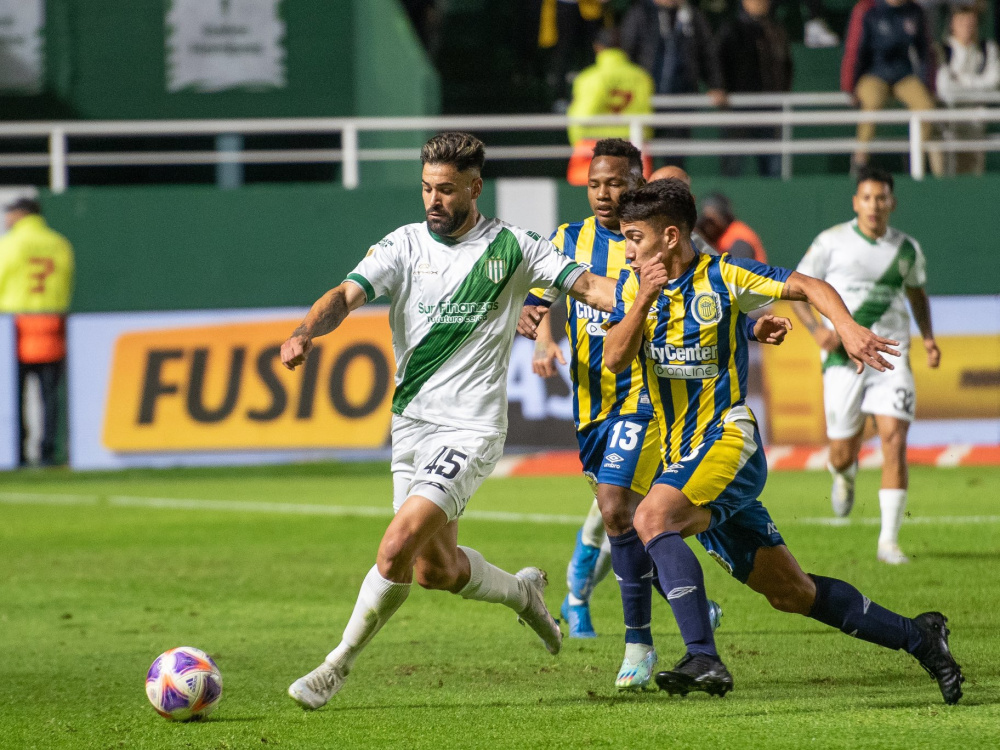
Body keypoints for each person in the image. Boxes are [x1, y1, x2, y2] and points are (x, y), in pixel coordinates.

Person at [281, 132, 619, 710]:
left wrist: (656, 299)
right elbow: (345, 294)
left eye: (445, 190)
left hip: (472, 430)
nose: (433, 200)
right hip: (412, 425)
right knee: (435, 570)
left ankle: (336, 666)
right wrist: (304, 331)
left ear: (474, 187)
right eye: (427, 189)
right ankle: (523, 593)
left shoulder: (513, 246)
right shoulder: (405, 245)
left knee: (394, 548)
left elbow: (589, 286)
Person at [602, 178, 963, 704]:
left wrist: (847, 328)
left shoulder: (723, 275)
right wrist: (645, 299)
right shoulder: (635, 288)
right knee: (792, 592)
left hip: (730, 441)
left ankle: (703, 655)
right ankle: (922, 638)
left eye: (634, 237)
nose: (627, 248)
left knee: (652, 518)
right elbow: (613, 357)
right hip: (687, 459)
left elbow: (810, 286)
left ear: (671, 236)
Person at [525, 140, 791, 689]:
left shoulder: (660, 245)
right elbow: (537, 300)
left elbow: (701, 308)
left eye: (617, 183)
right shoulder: (567, 242)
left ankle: (637, 640)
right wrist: (541, 336)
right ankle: (680, 603)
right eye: (596, 184)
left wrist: (749, 325)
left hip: (645, 398)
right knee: (626, 514)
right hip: (591, 403)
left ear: (638, 184)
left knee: (621, 506)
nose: (605, 194)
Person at [791, 166, 939, 565]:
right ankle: (843, 472)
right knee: (841, 452)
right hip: (843, 358)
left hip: (891, 356)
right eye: (867, 198)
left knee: (894, 440)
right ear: (856, 202)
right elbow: (797, 288)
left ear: (892, 203)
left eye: (881, 198)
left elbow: (917, 293)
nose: (874, 205)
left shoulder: (906, 249)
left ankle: (889, 541)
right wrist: (815, 331)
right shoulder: (831, 242)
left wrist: (927, 338)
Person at [0, 197, 74, 467]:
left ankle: (17, 451)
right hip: (52, 322)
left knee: (13, 393)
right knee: (50, 395)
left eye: (9, 214)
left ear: (20, 214)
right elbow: (66, 282)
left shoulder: (8, 245)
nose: (7, 220)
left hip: (14, 326)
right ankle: (47, 452)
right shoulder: (59, 243)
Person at [841, 0, 944, 176]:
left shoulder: (914, 11)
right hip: (873, 74)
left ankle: (915, 155)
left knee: (926, 106)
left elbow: (925, 52)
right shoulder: (867, 10)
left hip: (903, 76)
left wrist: (930, 87)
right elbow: (854, 50)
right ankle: (860, 159)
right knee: (872, 102)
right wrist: (850, 87)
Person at [620, 0, 727, 167]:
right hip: (646, 103)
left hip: (681, 102)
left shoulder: (692, 16)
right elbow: (626, 53)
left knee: (675, 162)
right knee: (642, 161)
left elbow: (708, 53)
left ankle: (672, 192)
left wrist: (715, 85)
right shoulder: (640, 13)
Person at [565, 28, 654, 185]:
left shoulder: (588, 78)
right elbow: (646, 116)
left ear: (597, 47)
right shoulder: (642, 77)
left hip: (592, 150)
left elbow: (580, 118)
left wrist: (578, 144)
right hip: (634, 147)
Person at [717, 0, 794, 178]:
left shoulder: (777, 30)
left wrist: (782, 95)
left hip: (771, 110)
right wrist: (720, 88)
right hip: (737, 110)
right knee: (732, 168)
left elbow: (787, 67)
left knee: (773, 170)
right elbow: (717, 62)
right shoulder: (730, 29)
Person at [935, 4, 1000, 174]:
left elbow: (992, 86)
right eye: (962, 21)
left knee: (975, 176)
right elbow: (946, 90)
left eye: (972, 22)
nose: (967, 26)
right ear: (952, 24)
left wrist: (961, 80)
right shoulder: (943, 50)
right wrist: (977, 83)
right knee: (948, 176)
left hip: (976, 125)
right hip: (949, 126)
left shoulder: (988, 50)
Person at [695, 192, 768, 262]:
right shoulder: (718, 237)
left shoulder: (738, 236)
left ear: (724, 216)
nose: (709, 227)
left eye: (711, 221)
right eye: (705, 221)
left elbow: (737, 270)